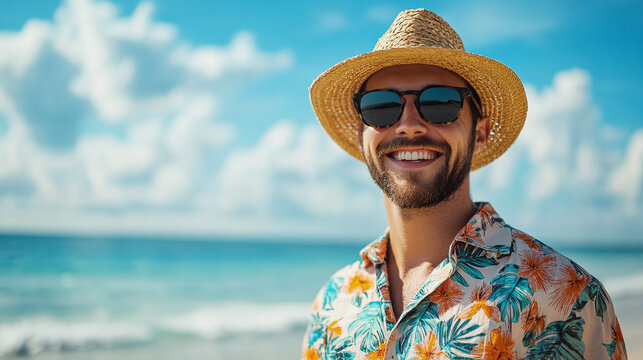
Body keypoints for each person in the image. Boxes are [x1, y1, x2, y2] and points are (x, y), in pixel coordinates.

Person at [302, 9, 627, 360]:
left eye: (440, 102)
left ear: (481, 132)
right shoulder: (332, 305)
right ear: (360, 134)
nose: (409, 125)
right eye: (380, 107)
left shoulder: (565, 297)